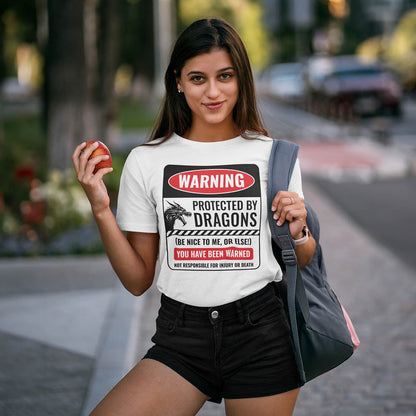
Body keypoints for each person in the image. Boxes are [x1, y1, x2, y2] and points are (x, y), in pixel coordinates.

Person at [72, 17, 316, 416]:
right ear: (178, 81)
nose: (214, 91)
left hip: (262, 334)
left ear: (241, 80)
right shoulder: (147, 160)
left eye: (225, 76)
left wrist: (299, 230)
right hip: (181, 337)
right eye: (198, 78)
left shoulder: (274, 154)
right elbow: (137, 281)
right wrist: (101, 208)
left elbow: (301, 257)